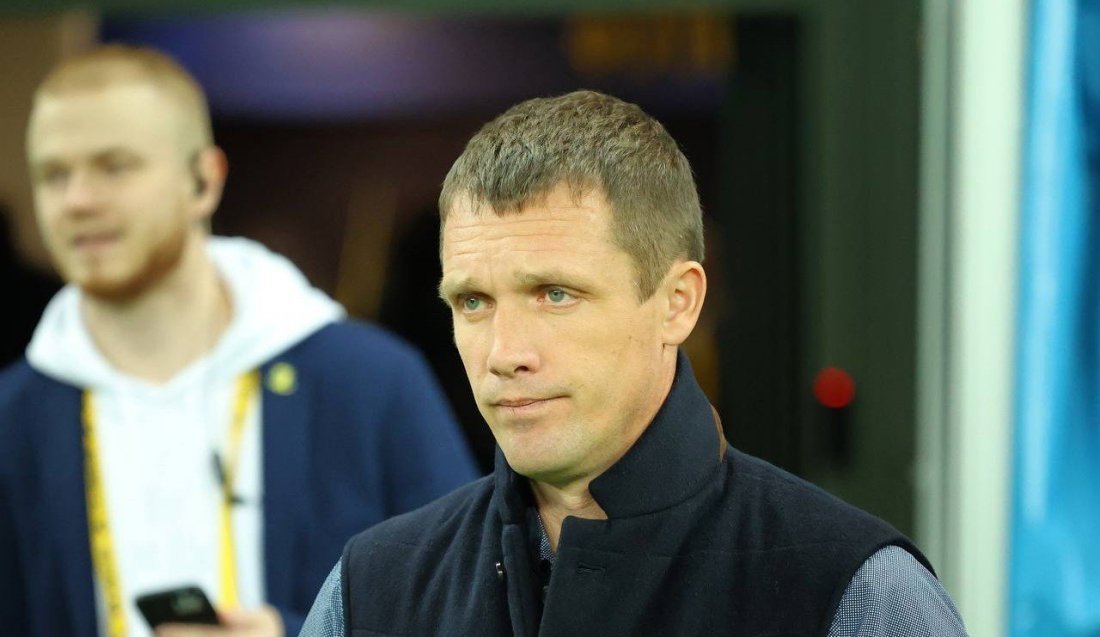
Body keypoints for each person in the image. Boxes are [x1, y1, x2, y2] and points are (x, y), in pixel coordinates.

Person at [300, 90, 968, 636]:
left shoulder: (853, 592)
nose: (504, 353)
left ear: (679, 303)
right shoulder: (370, 589)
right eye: (473, 301)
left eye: (556, 294)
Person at [0, 45, 479, 637]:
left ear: (203, 180)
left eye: (115, 166)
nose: (78, 200)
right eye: (53, 174)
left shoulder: (370, 382)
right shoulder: (15, 418)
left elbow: (472, 605)